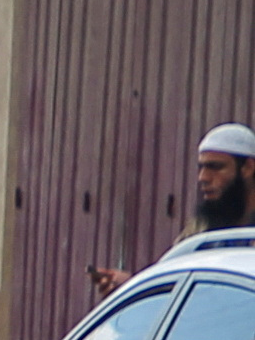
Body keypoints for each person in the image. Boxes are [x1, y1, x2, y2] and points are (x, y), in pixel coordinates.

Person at [91, 122, 255, 297]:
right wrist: (132, 285)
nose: (203, 178)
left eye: (215, 167)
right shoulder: (199, 231)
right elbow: (175, 282)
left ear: (248, 168)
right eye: (201, 168)